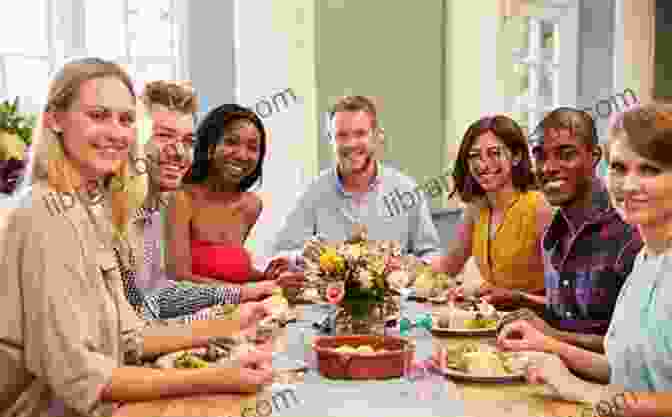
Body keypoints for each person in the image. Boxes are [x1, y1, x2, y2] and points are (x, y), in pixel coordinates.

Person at [0, 58, 273, 417]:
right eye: (98, 116)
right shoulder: (47, 214)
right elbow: (80, 373)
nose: (115, 132)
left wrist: (229, 325)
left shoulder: (91, 209)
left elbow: (132, 335)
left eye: (125, 120)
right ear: (54, 120)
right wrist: (217, 375)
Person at [497, 103, 672, 417]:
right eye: (620, 168)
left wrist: (576, 388)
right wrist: (547, 348)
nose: (629, 185)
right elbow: (624, 368)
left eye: (650, 170)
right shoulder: (647, 259)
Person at [495, 107, 643, 353]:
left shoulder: (629, 232)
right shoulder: (554, 233)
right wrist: (522, 300)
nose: (548, 167)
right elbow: (572, 315)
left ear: (594, 156)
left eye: (566, 154)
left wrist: (552, 337)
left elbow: (632, 350)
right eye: (541, 156)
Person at [118, 80, 267, 321]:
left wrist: (247, 296)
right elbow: (129, 327)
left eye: (187, 141)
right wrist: (242, 299)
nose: (178, 152)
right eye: (164, 136)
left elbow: (155, 302)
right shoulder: (110, 219)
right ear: (129, 139)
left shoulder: (153, 213)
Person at [272, 95, 442, 262]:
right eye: (342, 135)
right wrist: (300, 255)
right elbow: (279, 254)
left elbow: (431, 253)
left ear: (377, 136)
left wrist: (413, 268)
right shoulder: (313, 193)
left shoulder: (406, 190)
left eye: (360, 134)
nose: (351, 144)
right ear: (330, 140)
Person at [165, 104, 303, 296]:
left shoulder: (251, 206)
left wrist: (268, 277)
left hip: (239, 312)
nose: (242, 155)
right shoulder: (180, 198)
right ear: (209, 147)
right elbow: (177, 278)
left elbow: (229, 271)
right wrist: (253, 290)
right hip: (190, 318)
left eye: (253, 148)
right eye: (231, 142)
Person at [430, 115, 552, 307]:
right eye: (474, 155)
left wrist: (512, 297)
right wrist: (398, 268)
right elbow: (448, 267)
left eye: (494, 153)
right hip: (492, 321)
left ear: (517, 156)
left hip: (540, 324)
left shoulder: (540, 208)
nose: (483, 164)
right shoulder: (476, 209)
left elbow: (566, 300)